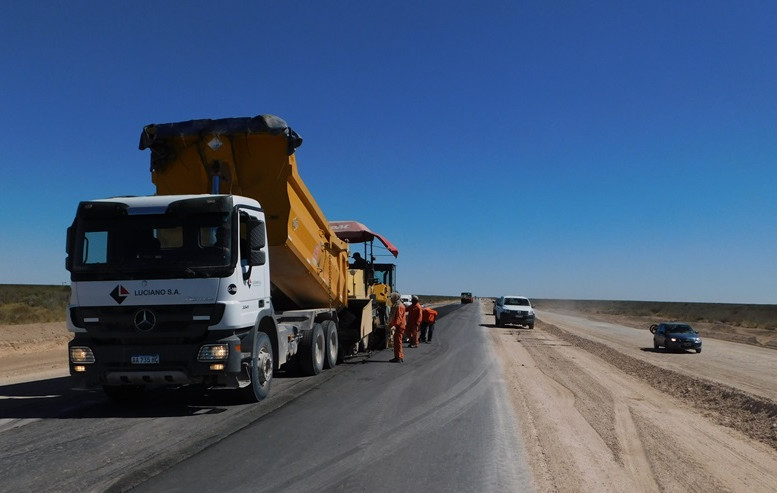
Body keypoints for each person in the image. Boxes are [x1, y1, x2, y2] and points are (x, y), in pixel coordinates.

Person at [388, 292, 407, 362]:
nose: (391, 299)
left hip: (399, 326)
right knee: (397, 342)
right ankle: (399, 356)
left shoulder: (399, 306)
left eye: (392, 298)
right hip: (399, 326)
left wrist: (393, 325)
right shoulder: (397, 305)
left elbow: (398, 318)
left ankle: (398, 357)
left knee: (398, 342)